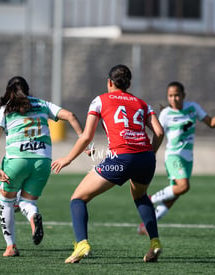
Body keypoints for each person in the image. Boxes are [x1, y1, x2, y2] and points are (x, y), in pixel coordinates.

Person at [51, 64, 165, 263]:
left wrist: (67, 158)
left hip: (121, 158)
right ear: (129, 84)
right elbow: (160, 132)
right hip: (145, 158)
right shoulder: (142, 103)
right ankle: (154, 242)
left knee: (78, 198)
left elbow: (87, 137)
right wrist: (150, 154)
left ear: (109, 82)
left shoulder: (100, 100)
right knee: (140, 196)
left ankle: (82, 244)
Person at [0, 76, 84, 257]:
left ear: (9, 91)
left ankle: (11, 247)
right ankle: (33, 217)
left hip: (17, 159)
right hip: (42, 160)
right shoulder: (42, 104)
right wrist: (82, 139)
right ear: (28, 89)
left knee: (7, 201)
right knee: (27, 201)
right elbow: (70, 116)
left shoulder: (5, 109)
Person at [137, 81, 215, 235]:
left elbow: (211, 124)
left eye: (177, 95)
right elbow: (157, 133)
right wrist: (151, 153)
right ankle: (150, 200)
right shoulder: (165, 114)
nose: (174, 98)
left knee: (175, 194)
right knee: (184, 186)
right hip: (173, 156)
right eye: (170, 96)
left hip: (187, 159)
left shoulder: (192, 108)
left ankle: (148, 224)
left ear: (183, 95)